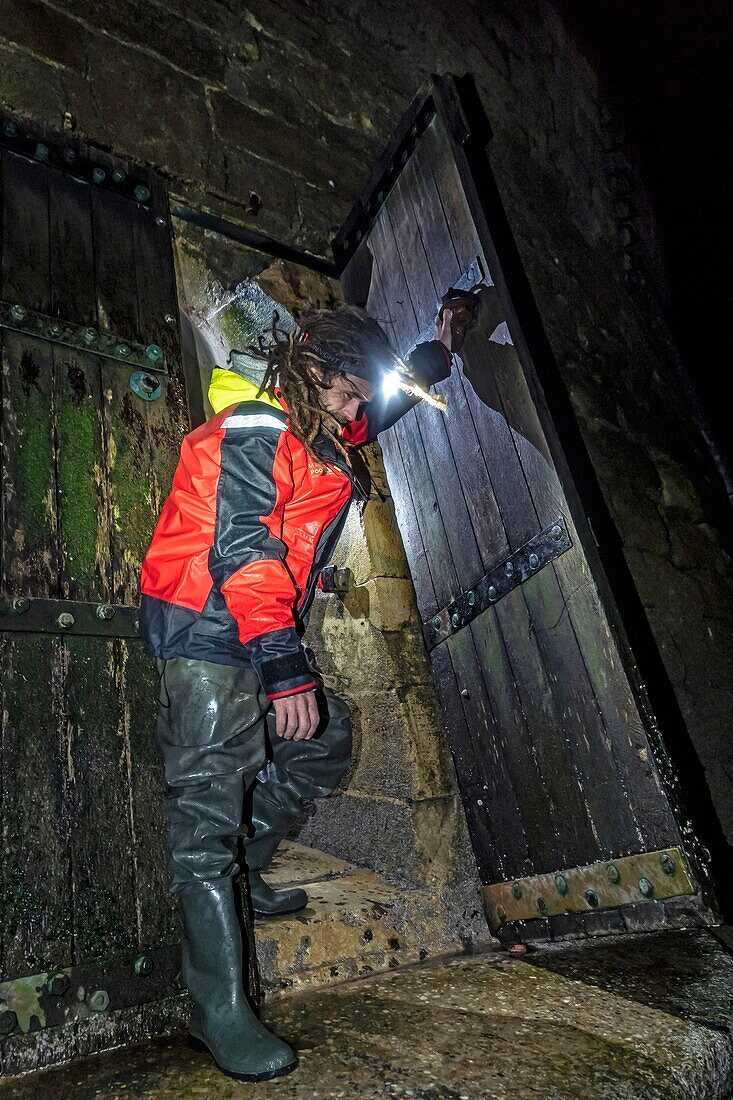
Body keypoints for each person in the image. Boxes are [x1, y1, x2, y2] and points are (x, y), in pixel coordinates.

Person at [138, 302, 453, 1082]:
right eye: (348, 396)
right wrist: (283, 664)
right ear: (312, 375)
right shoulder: (254, 427)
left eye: (358, 401)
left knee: (326, 739)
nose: (356, 414)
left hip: (246, 624)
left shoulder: (316, 432)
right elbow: (242, 545)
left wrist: (437, 354)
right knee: (205, 812)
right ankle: (219, 1011)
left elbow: (382, 406)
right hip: (206, 622)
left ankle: (245, 870)